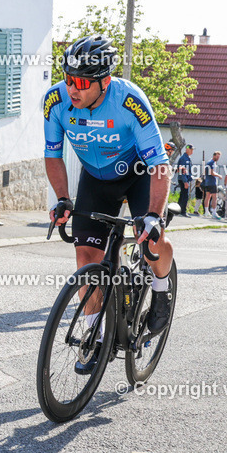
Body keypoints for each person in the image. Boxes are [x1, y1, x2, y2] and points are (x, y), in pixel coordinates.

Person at [44, 35, 175, 373]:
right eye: (69, 79)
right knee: (86, 258)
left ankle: (161, 289)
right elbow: (52, 155)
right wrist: (62, 198)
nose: (73, 88)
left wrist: (153, 216)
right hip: (96, 179)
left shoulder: (130, 101)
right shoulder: (55, 101)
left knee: (152, 241)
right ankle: (93, 337)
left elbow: (160, 164)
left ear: (104, 81)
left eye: (82, 83)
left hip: (138, 173)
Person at [175, 144, 193, 215]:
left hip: (185, 179)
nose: (192, 151)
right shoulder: (183, 158)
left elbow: (188, 170)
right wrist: (185, 181)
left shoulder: (188, 158)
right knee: (185, 196)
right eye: (191, 150)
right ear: (187, 149)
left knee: (182, 195)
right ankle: (183, 211)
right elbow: (182, 171)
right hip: (183, 179)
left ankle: (177, 210)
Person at [203, 151, 221, 219]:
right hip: (212, 182)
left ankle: (206, 212)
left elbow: (205, 171)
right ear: (214, 155)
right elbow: (212, 172)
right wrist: (219, 175)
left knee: (207, 197)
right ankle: (214, 212)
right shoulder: (212, 163)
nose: (218, 158)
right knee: (214, 197)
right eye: (217, 156)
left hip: (207, 182)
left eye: (219, 157)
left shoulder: (208, 162)